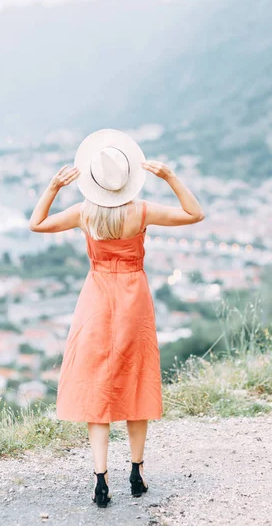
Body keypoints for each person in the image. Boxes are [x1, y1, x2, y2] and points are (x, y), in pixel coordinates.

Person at [29, 128, 204, 508]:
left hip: (95, 300)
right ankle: (137, 472)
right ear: (127, 179)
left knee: (99, 386)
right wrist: (170, 176)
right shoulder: (141, 212)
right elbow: (196, 213)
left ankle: (100, 478)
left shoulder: (83, 213)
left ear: (93, 180)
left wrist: (54, 187)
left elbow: (36, 224)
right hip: (133, 299)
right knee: (135, 380)